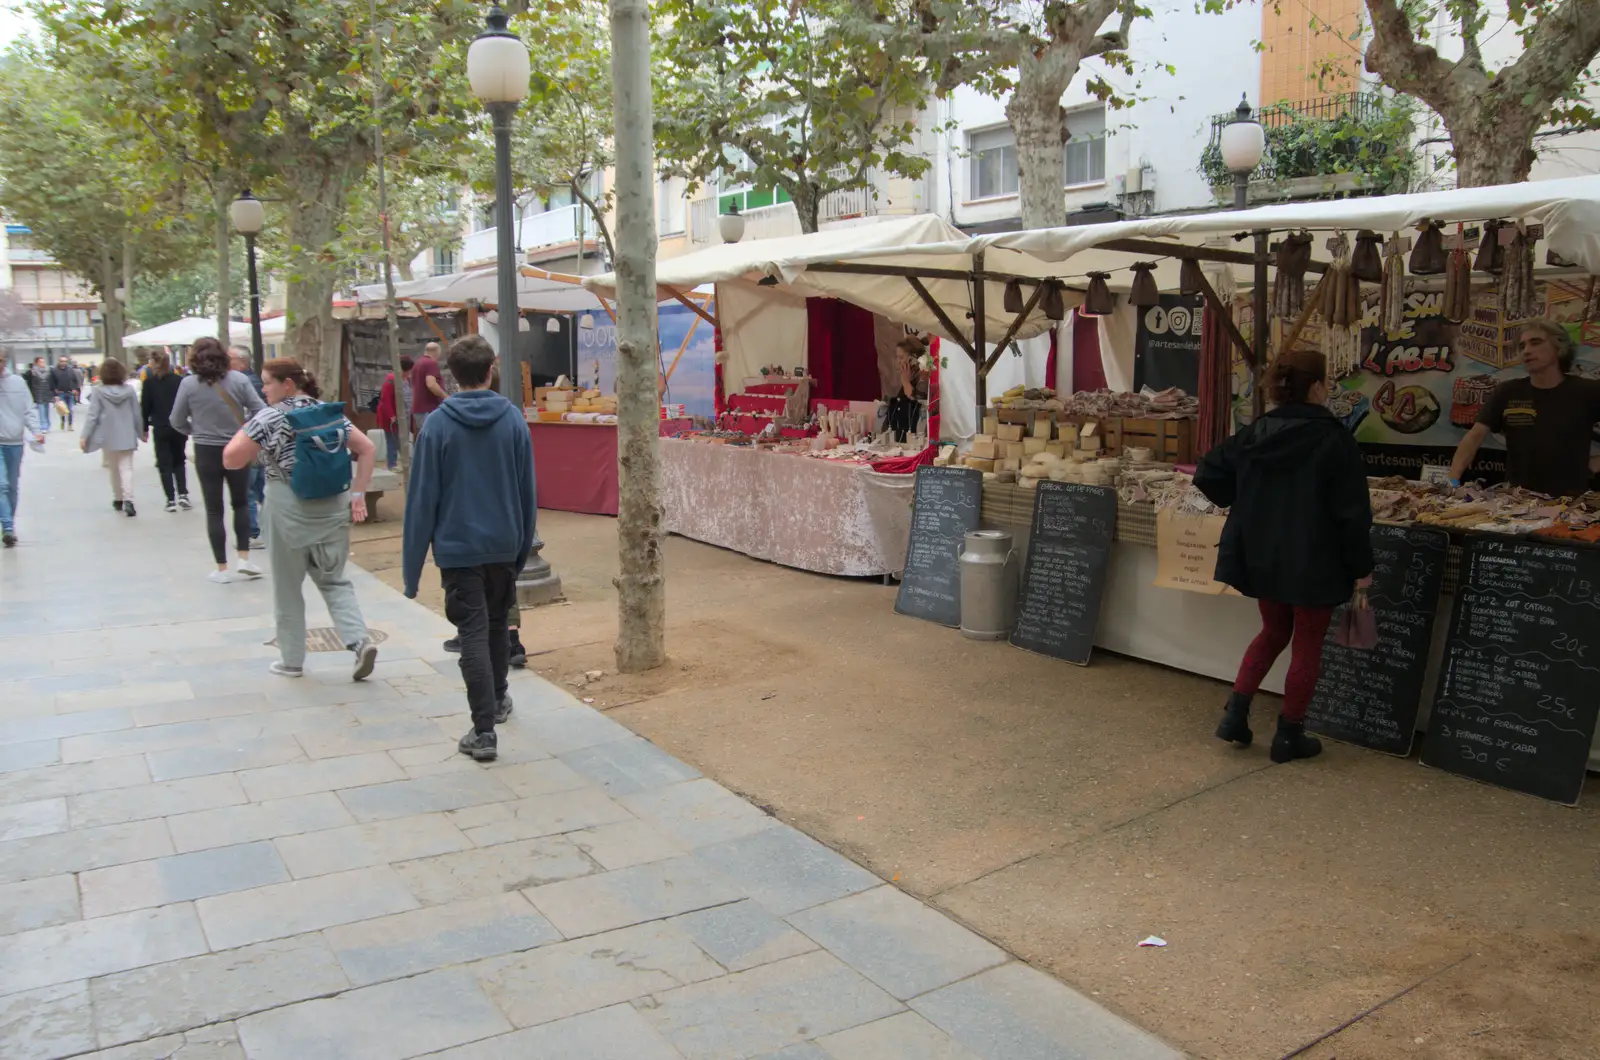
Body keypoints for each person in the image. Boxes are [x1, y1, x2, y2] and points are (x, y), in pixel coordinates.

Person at [1194, 348, 1374, 764]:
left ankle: (1234, 716)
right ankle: (1289, 735)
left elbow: (1207, 472)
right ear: (1316, 387)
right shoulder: (1334, 439)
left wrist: (1247, 497)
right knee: (1307, 644)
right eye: (1327, 382)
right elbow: (1352, 516)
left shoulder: (1257, 431)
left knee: (1273, 632)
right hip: (1315, 559)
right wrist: (1362, 569)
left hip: (1262, 554)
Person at [404, 336, 536, 762]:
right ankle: (497, 699)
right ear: (491, 369)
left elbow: (422, 498)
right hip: (502, 544)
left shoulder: (437, 426)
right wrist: (520, 547)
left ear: (452, 376)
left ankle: (483, 730)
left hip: (459, 548)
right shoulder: (513, 420)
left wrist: (411, 570)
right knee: (496, 625)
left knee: (474, 633)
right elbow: (526, 491)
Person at [224, 357, 379, 681]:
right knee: (335, 580)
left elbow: (232, 457)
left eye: (267, 382)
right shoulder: (327, 412)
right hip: (333, 507)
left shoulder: (269, 417)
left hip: (287, 508)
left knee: (287, 587)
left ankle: (291, 660)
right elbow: (366, 449)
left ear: (287, 384)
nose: (263, 389)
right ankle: (359, 640)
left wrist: (250, 431)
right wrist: (358, 494)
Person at [1448, 318, 1600, 496]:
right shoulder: (1508, 392)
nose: (1527, 351)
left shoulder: (1587, 391)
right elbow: (1474, 437)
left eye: (1535, 343)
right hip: (1517, 502)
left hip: (1570, 502)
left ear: (1559, 348)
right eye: (1522, 346)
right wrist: (1452, 480)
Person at [170, 337, 265, 582]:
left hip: (205, 449)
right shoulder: (240, 380)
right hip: (237, 446)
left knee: (214, 509)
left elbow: (176, 420)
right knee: (241, 502)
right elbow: (260, 410)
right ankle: (244, 558)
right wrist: (246, 431)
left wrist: (195, 430)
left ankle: (221, 568)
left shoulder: (188, 384)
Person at [79, 357, 143, 517]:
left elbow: (93, 415)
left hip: (107, 435)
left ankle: (118, 498)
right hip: (127, 433)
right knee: (126, 467)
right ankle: (129, 500)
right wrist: (142, 432)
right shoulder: (129, 391)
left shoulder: (98, 391)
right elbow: (137, 413)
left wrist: (84, 435)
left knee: (114, 469)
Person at [140, 348, 192, 513]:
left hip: (160, 427)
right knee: (179, 460)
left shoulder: (149, 383)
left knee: (164, 464)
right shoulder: (179, 381)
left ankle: (170, 499)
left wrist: (144, 428)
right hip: (178, 427)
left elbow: (145, 407)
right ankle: (183, 494)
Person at [0, 358, 44, 547]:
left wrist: (36, 430)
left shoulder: (17, 383)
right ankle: (8, 527)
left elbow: (28, 409)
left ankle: (9, 521)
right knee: (1, 485)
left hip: (15, 441)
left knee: (12, 486)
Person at [230, 346, 269, 546]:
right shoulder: (253, 381)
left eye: (231, 359)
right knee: (261, 487)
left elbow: (257, 413)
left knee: (249, 490)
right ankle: (272, 525)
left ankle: (253, 532)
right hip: (258, 442)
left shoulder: (246, 383)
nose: (227, 363)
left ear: (242, 362)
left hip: (250, 442)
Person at [374, 355, 414, 471]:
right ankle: (392, 464)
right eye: (407, 371)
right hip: (393, 417)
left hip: (405, 416)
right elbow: (385, 400)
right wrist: (392, 416)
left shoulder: (407, 379)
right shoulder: (391, 381)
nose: (408, 373)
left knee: (404, 440)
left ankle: (405, 462)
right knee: (392, 440)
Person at [409, 341, 448, 435]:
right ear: (437, 351)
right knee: (432, 437)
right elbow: (431, 384)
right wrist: (446, 397)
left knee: (424, 437)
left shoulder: (417, 364)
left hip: (418, 408)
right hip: (428, 409)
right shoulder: (431, 363)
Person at [50, 355, 80, 430]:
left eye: (65, 361)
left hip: (70, 393)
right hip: (61, 393)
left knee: (70, 409)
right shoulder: (54, 371)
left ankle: (70, 425)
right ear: (59, 362)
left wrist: (75, 389)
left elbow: (75, 380)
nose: (63, 363)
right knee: (62, 409)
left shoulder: (70, 370)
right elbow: (52, 383)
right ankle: (63, 421)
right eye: (62, 361)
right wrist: (55, 394)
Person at [26, 357, 52, 434]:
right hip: (38, 393)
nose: (42, 363)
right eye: (40, 362)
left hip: (47, 393)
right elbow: (30, 384)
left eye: (43, 362)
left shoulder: (48, 371)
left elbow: (52, 382)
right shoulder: (32, 372)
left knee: (47, 410)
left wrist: (53, 393)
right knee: (41, 410)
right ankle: (43, 426)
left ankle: (47, 425)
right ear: (36, 363)